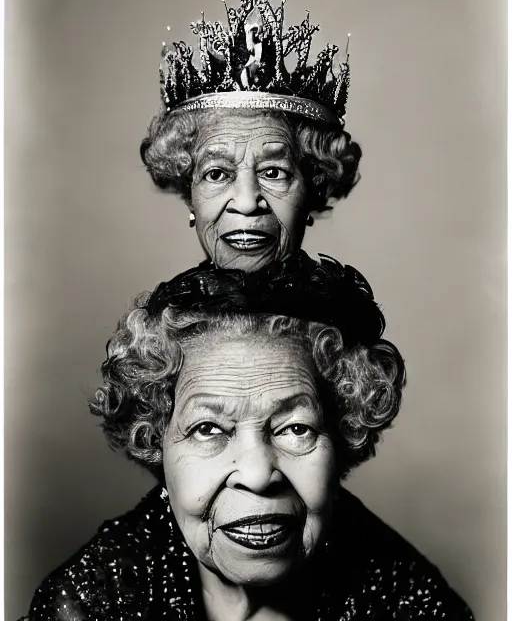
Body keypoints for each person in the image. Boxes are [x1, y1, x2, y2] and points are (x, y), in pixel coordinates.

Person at [23, 256, 474, 620]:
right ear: (157, 441)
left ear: (342, 440)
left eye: (295, 428)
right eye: (208, 429)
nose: (258, 475)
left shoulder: (411, 602)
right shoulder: (88, 603)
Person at [140, 0, 361, 272]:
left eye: (273, 172)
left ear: (313, 190)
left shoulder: (349, 320)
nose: (246, 203)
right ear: (190, 196)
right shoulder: (152, 320)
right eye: (217, 173)